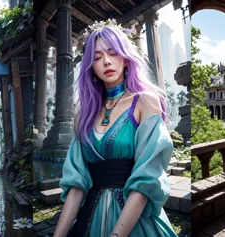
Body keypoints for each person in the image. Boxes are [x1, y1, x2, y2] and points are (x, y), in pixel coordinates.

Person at [53, 19, 178, 237]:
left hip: (134, 218)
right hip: (89, 217)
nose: (106, 62)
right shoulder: (83, 116)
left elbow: (147, 176)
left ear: (126, 59)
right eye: (97, 57)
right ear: (91, 66)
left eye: (112, 53)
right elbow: (76, 186)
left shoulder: (145, 102)